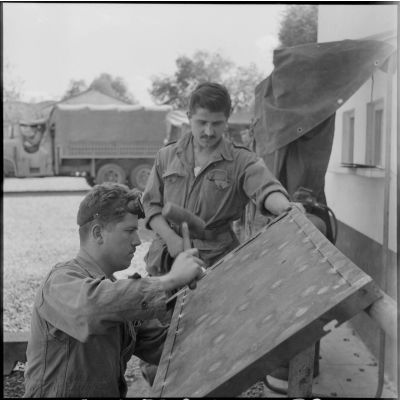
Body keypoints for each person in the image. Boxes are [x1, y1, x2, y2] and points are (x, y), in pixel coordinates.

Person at [23, 182, 204, 398]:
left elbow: (167, 346)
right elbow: (91, 308)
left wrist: (197, 294)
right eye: (129, 231)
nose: (138, 241)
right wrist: (170, 280)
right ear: (98, 233)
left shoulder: (120, 297)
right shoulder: (60, 281)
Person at [142, 82, 292, 276]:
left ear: (227, 120)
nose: (209, 132)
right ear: (189, 117)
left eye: (216, 123)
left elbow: (266, 188)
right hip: (166, 258)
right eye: (202, 122)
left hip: (215, 261)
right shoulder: (166, 156)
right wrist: (170, 238)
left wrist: (285, 208)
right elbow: (151, 205)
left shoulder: (241, 160)